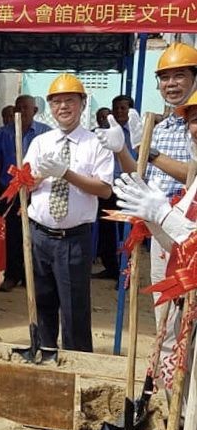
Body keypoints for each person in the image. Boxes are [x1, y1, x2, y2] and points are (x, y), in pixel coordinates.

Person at [94, 42, 197, 361]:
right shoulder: (159, 127)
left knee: (189, 324)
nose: (171, 84)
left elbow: (192, 174)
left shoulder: (192, 128)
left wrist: (149, 152)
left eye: (179, 76)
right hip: (161, 235)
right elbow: (139, 175)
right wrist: (124, 151)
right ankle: (167, 389)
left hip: (188, 233)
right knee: (165, 324)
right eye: (165, 78)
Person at [24, 74, 113, 353]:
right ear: (50, 107)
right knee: (42, 302)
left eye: (69, 101)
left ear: (82, 104)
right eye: (56, 102)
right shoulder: (40, 143)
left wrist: (66, 173)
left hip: (73, 239)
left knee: (74, 309)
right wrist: (37, 176)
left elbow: (105, 190)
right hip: (40, 235)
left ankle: (78, 363)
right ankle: (45, 355)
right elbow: (23, 184)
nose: (63, 107)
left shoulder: (97, 143)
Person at [0, 95, 51, 291]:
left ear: (35, 111)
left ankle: (32, 276)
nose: (22, 111)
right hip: (9, 191)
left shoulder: (45, 133)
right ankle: (12, 275)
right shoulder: (2, 134)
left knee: (35, 235)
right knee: (12, 235)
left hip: (36, 191)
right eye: (19, 107)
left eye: (26, 108)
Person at [94, 95, 135, 280]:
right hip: (108, 187)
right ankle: (111, 268)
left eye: (123, 108)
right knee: (107, 229)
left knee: (128, 232)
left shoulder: (135, 132)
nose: (119, 111)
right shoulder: (104, 132)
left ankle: (126, 274)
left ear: (130, 110)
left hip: (128, 187)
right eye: (116, 108)